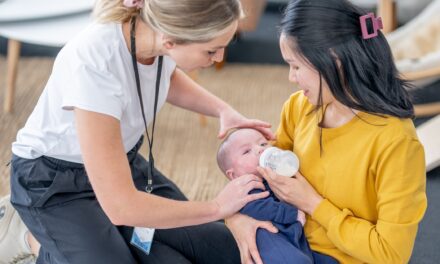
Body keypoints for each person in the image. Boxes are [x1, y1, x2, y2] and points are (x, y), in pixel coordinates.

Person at [6, 0, 275, 263]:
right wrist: (217, 207)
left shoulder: (152, 37)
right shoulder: (95, 63)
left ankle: (100, 233)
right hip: (54, 183)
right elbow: (122, 206)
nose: (219, 58)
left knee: (222, 250)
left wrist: (222, 110)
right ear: (170, 40)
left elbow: (166, 77)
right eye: (211, 51)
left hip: (120, 167)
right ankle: (30, 238)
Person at [225, 0, 428, 263]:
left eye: (296, 66)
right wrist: (236, 218)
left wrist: (313, 204)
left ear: (335, 60)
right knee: (181, 238)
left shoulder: (396, 142)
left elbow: (390, 253)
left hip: (343, 257)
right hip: (286, 239)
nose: (291, 77)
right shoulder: (299, 107)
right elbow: (263, 180)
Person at [217, 128, 338, 264]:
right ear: (233, 175)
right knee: (297, 261)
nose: (260, 150)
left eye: (263, 144)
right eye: (246, 151)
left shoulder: (274, 177)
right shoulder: (245, 188)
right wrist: (291, 213)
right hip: (270, 242)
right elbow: (258, 206)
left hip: (295, 240)